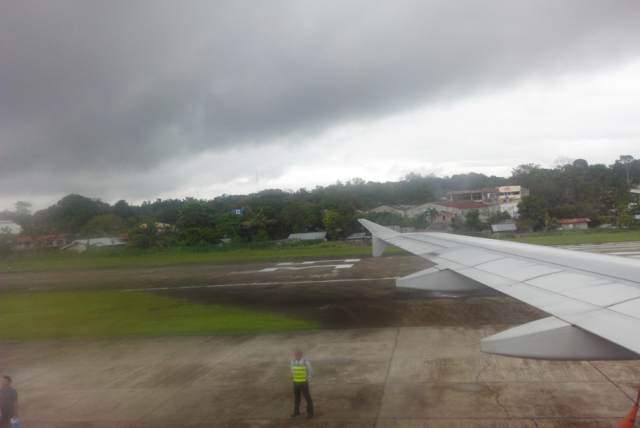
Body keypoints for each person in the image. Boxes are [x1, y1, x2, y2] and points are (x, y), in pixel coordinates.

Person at [290, 349, 314, 419]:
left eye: (298, 355)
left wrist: (307, 378)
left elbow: (311, 371)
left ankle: (310, 413)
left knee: (307, 398)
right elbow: (292, 370)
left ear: (301, 355)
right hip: (295, 383)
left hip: (303, 383)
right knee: (297, 398)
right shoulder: (292, 361)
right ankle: (296, 411)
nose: (296, 356)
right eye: (295, 355)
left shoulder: (305, 361)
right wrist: (293, 378)